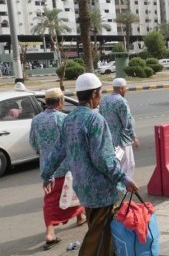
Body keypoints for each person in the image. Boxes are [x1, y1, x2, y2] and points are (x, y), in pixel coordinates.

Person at [41, 73, 139, 255]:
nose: (101, 96)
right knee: (98, 235)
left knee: (100, 232)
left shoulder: (68, 119)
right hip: (100, 190)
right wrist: (123, 177)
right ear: (94, 94)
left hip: (82, 187)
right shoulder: (95, 120)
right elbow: (103, 158)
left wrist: (47, 174)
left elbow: (57, 152)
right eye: (100, 93)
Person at [29, 88, 86, 251]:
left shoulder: (36, 120)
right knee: (72, 192)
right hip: (65, 166)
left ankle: (79, 217)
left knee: (52, 200)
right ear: (60, 102)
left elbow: (33, 143)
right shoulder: (64, 119)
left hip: (48, 168)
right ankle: (50, 233)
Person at [99, 78, 139, 179]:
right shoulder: (121, 101)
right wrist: (134, 137)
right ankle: (125, 188)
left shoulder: (104, 99)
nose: (126, 90)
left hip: (109, 140)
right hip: (122, 142)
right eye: (125, 88)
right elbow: (127, 123)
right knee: (128, 165)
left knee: (116, 164)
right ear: (121, 89)